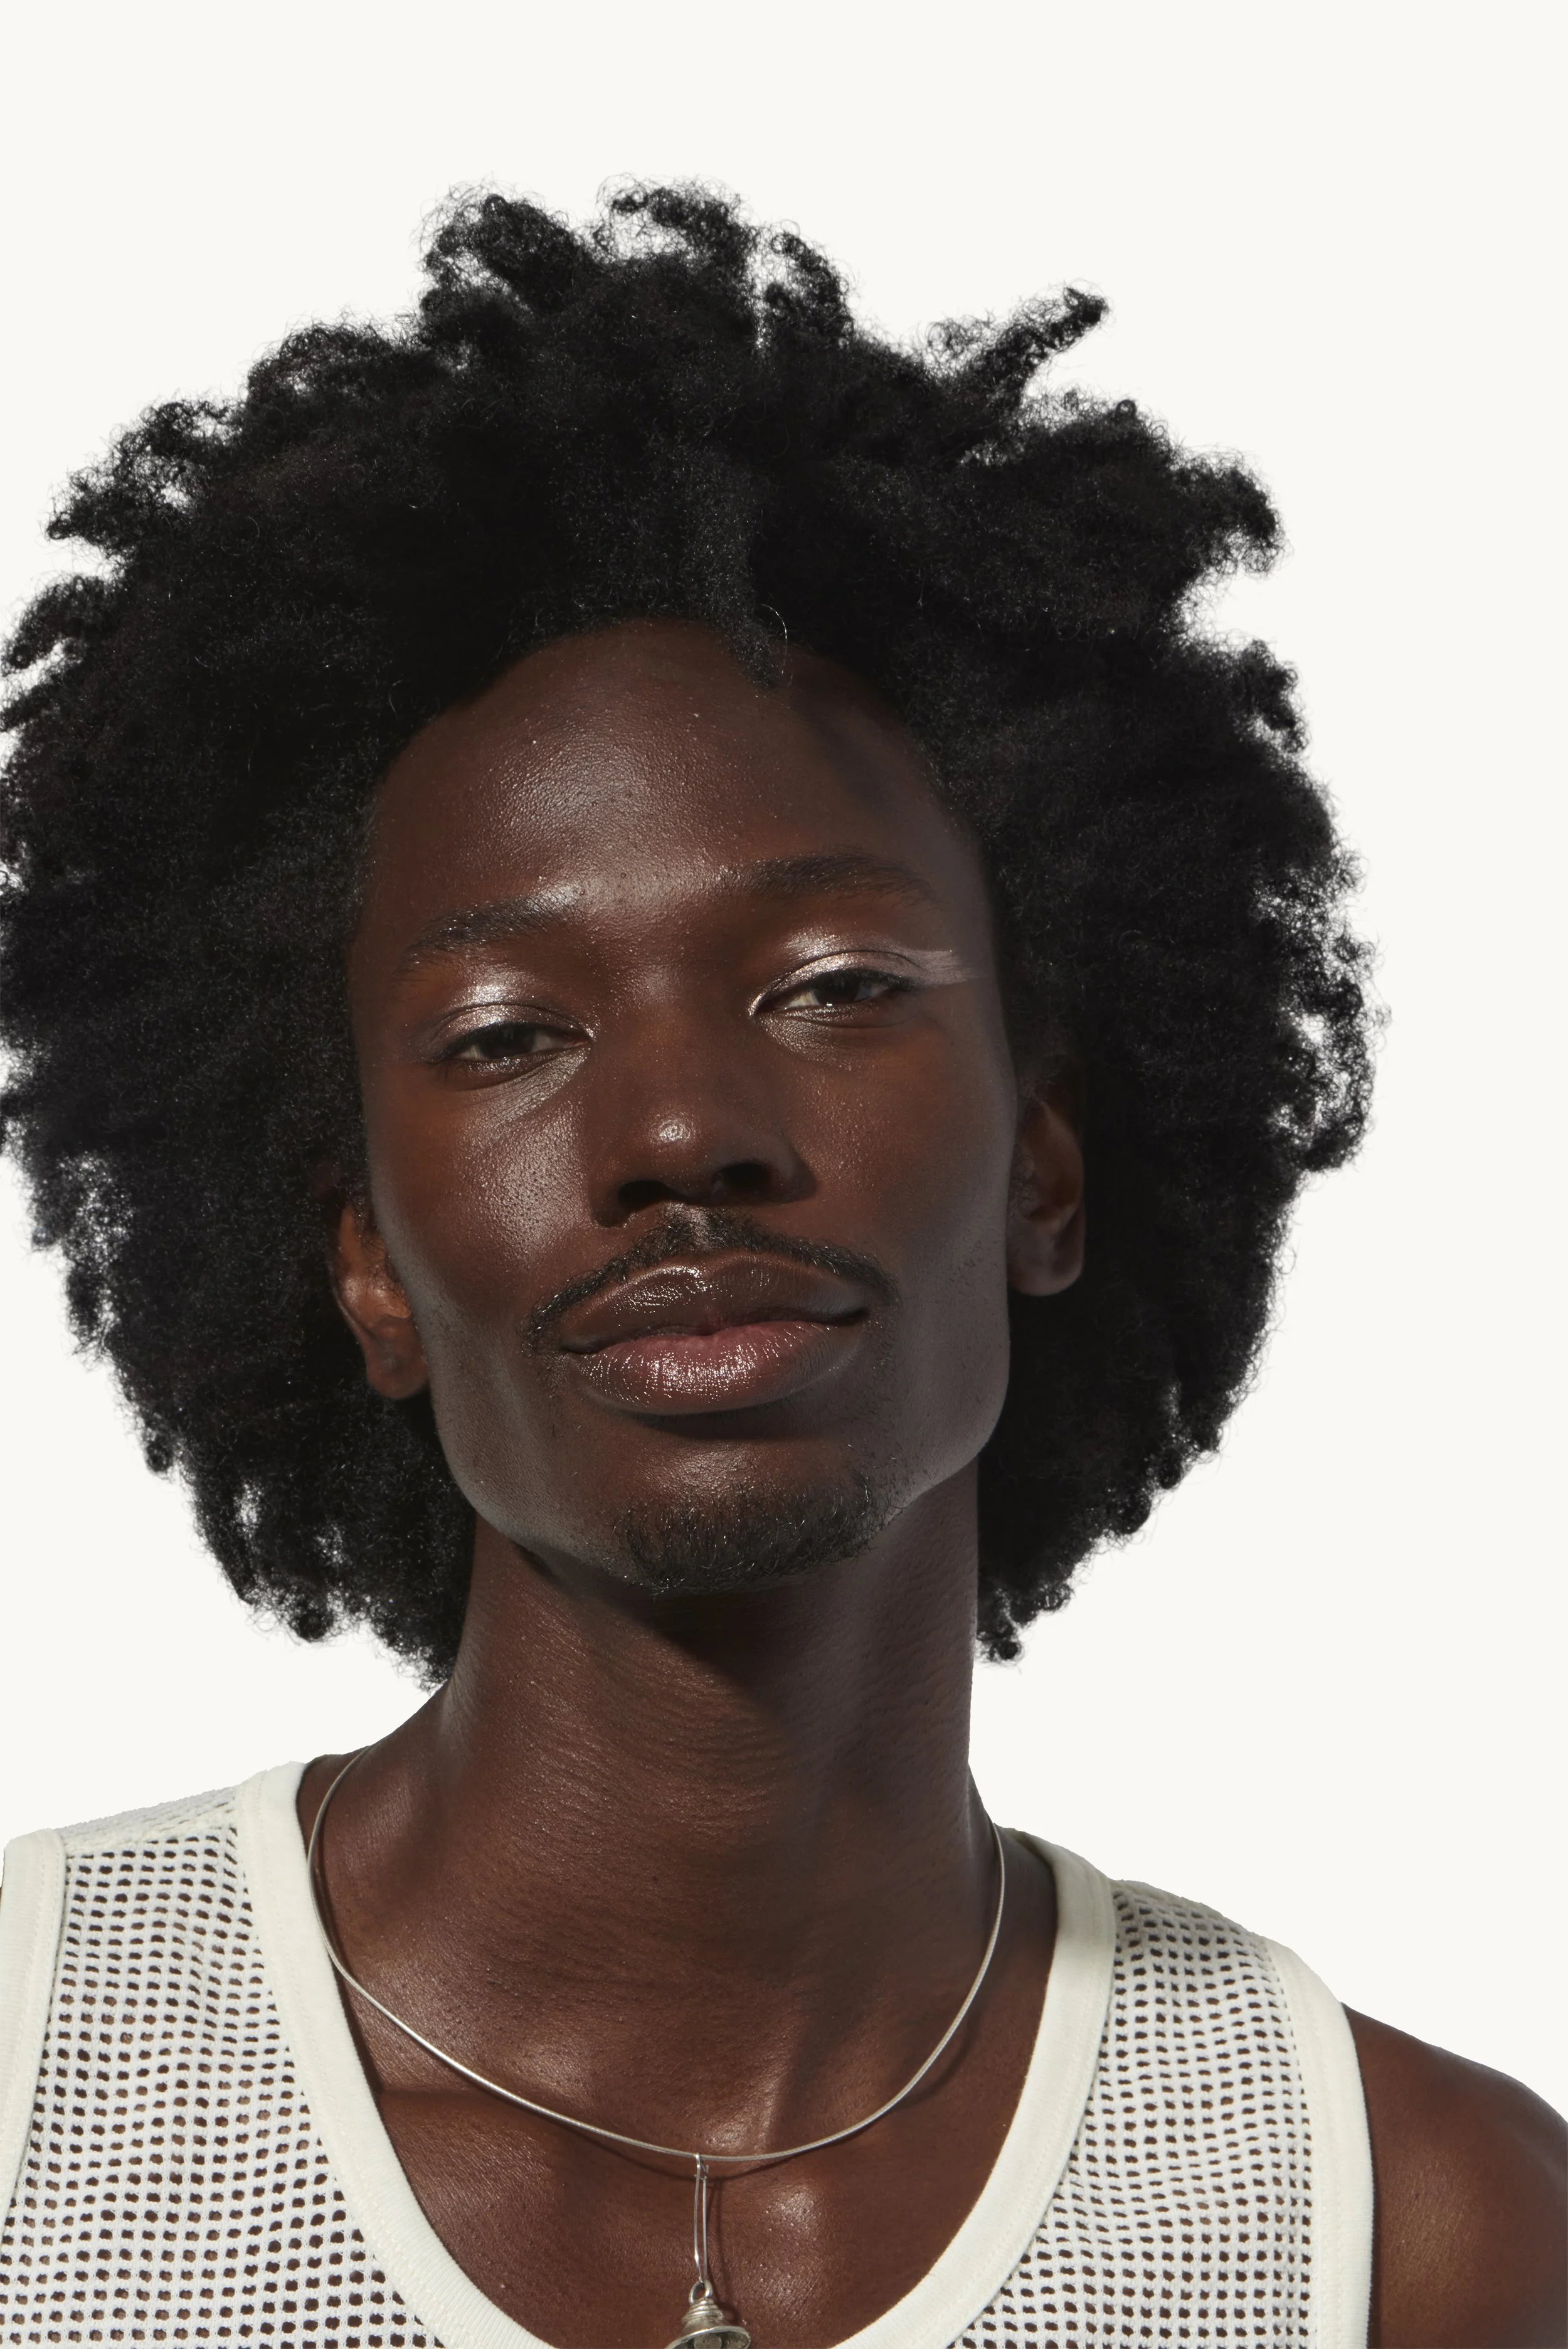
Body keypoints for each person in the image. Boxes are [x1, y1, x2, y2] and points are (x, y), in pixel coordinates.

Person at [0, 186, 1560, 2349]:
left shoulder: (1412, 2238)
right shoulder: (29, 2109)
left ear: (1043, 1166)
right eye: (507, 1036)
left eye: (832, 984)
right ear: (360, 1253)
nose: (675, 1135)